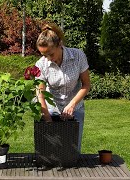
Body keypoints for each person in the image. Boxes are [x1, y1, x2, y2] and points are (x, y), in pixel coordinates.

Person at [35, 23, 91, 153]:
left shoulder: (77, 56)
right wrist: (47, 117)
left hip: (75, 109)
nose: (48, 58)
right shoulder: (41, 64)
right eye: (44, 55)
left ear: (60, 44)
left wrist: (72, 104)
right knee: (50, 152)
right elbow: (40, 92)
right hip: (52, 109)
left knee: (72, 151)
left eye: (51, 54)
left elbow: (86, 85)